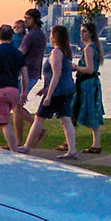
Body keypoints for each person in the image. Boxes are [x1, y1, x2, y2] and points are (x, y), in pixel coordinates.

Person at [17, 25, 77, 158]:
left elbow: (56, 74)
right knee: (65, 119)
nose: (49, 36)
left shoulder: (56, 52)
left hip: (57, 92)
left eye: (51, 34)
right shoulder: (65, 52)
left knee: (39, 118)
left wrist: (48, 95)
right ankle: (72, 150)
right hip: (65, 90)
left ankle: (26, 147)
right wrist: (44, 88)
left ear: (55, 36)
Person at [0, 24, 27, 151]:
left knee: (4, 122)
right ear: (12, 37)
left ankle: (14, 150)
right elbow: (24, 74)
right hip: (14, 90)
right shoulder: (18, 54)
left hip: (0, 90)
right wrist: (23, 92)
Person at [71, 21, 105, 153]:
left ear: (90, 33)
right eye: (81, 31)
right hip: (90, 83)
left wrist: (75, 67)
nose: (81, 34)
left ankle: (96, 144)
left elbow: (90, 69)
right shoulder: (94, 47)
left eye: (84, 31)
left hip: (87, 84)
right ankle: (73, 141)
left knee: (89, 111)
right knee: (80, 110)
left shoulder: (89, 49)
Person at [14, 8, 47, 145]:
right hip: (33, 72)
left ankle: (19, 142)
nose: (25, 20)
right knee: (16, 106)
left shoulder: (31, 36)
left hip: (27, 73)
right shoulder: (40, 34)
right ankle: (20, 140)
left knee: (16, 106)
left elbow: (20, 54)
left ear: (35, 20)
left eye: (28, 18)